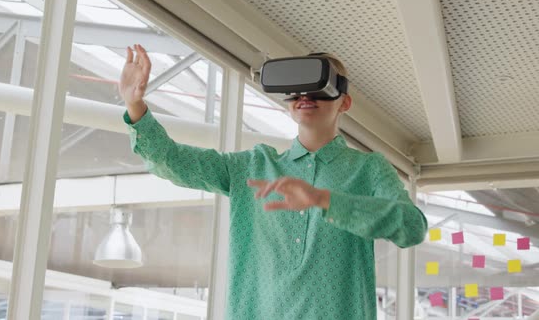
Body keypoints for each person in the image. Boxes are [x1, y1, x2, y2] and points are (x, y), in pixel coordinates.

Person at [120, 44, 428, 320]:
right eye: (297, 89)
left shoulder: (369, 169)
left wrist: (324, 200)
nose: (305, 97)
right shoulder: (253, 166)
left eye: (318, 86)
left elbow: (412, 227)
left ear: (344, 102)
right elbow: (170, 162)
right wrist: (135, 106)